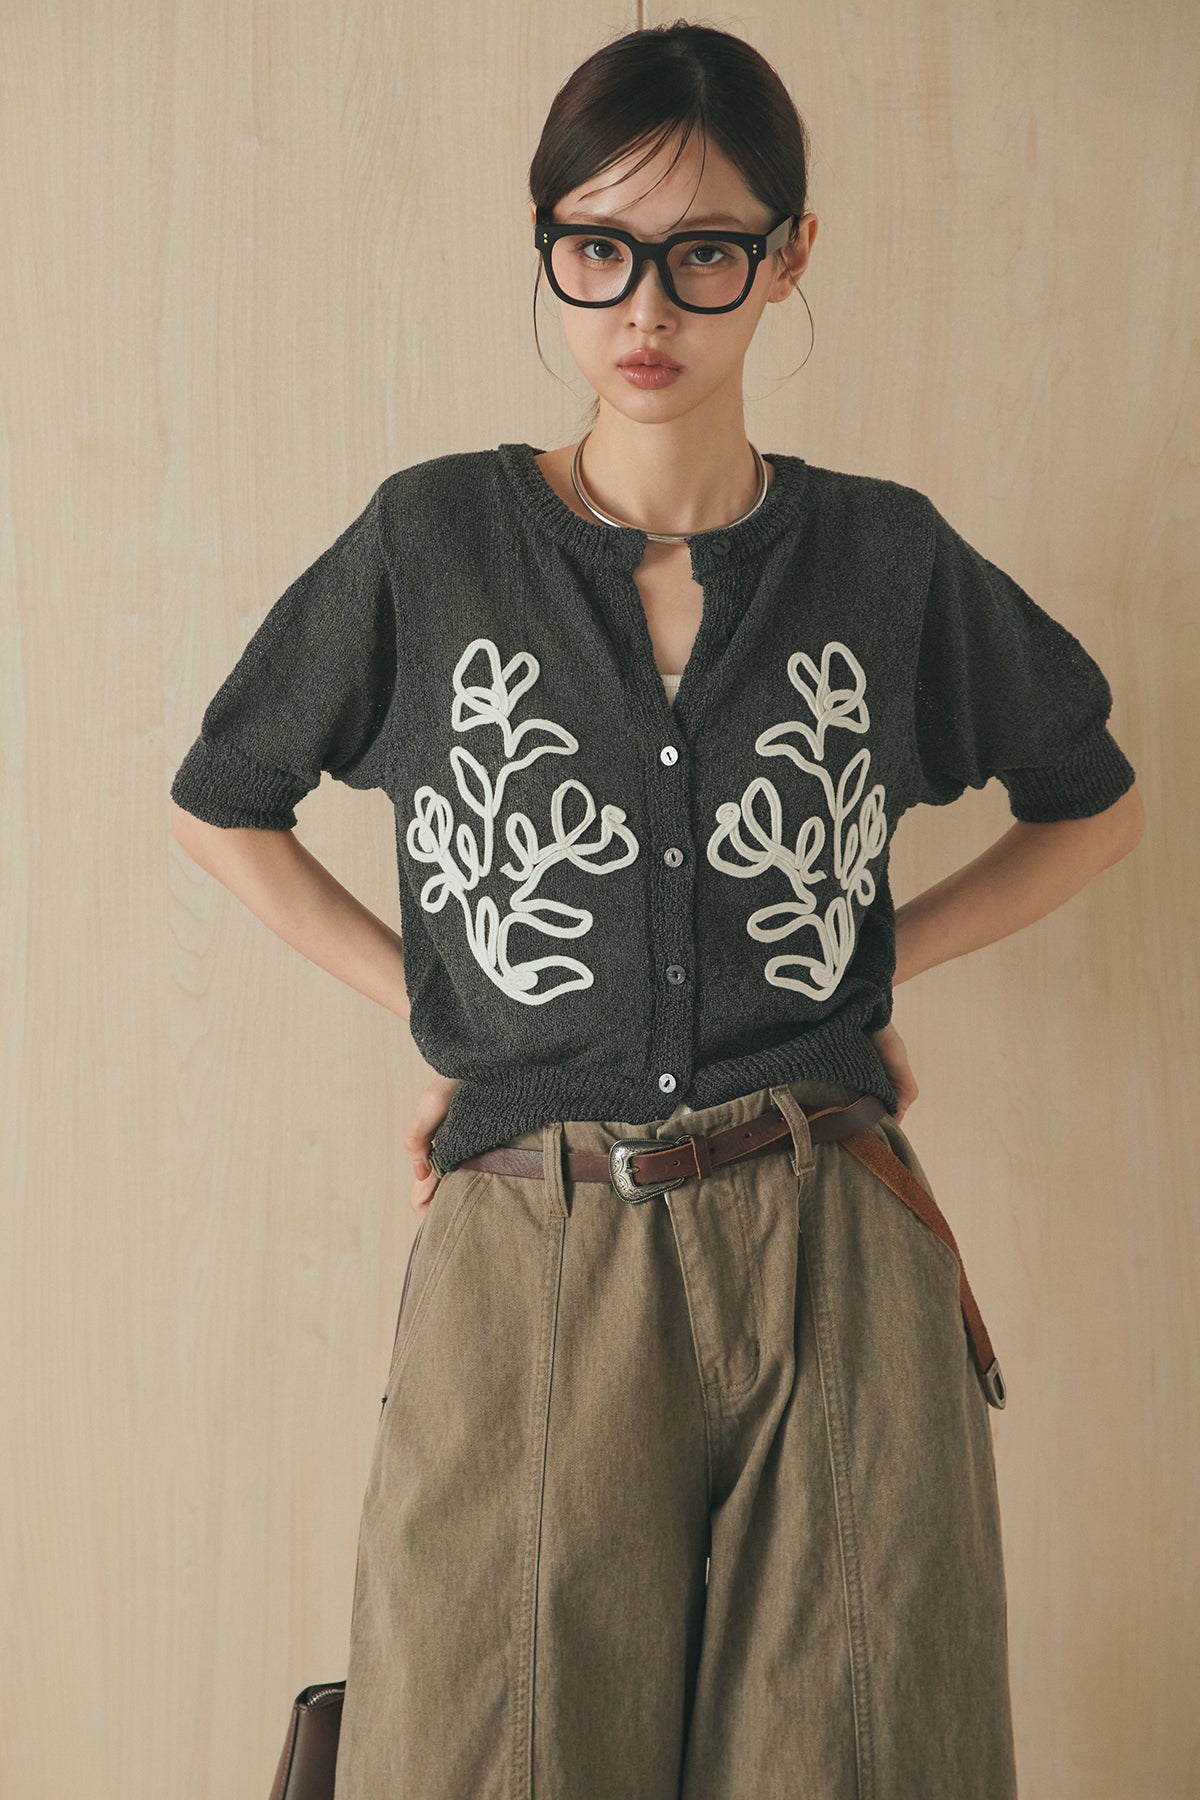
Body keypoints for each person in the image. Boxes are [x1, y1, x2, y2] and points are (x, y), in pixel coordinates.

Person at [168, 21, 1144, 1800]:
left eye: (704, 254)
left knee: (858, 1755)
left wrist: (869, 968)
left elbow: (1094, 805)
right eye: (596, 248)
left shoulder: (882, 558)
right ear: (547, 246)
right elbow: (223, 803)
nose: (645, 307)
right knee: (487, 1749)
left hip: (833, 1241)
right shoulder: (435, 544)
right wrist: (442, 1007)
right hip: (529, 1244)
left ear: (790, 255)